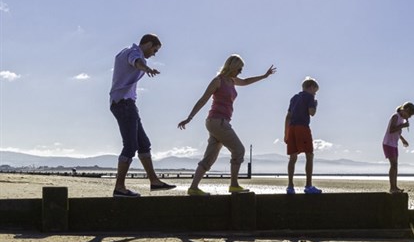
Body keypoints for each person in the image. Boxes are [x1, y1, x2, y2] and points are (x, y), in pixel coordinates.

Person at [178, 55, 276, 196]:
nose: (240, 72)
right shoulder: (218, 81)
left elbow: (247, 81)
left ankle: (193, 188)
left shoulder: (232, 81)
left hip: (219, 123)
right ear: (232, 67)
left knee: (209, 158)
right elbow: (203, 99)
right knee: (239, 150)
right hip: (218, 122)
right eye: (239, 69)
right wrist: (189, 118)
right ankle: (234, 185)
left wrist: (264, 76)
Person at [109, 34, 176, 197]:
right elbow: (136, 61)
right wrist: (146, 69)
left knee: (144, 144)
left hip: (126, 103)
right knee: (130, 146)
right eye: (155, 49)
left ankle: (154, 181)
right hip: (123, 103)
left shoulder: (125, 51)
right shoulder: (134, 52)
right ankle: (119, 187)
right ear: (148, 44)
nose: (154, 54)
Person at [285, 77, 321, 194]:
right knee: (309, 155)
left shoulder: (294, 98)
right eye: (315, 91)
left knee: (292, 158)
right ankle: (308, 185)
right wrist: (315, 105)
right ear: (310, 88)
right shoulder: (309, 97)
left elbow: (288, 116)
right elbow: (312, 113)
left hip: (292, 129)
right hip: (302, 128)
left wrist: (286, 133)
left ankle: (290, 186)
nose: (315, 94)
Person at [383, 102, 414, 193]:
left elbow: (397, 132)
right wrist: (403, 126)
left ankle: (395, 186)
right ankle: (392, 187)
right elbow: (391, 130)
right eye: (409, 115)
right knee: (393, 165)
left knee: (395, 166)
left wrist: (402, 140)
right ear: (406, 110)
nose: (409, 117)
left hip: (394, 144)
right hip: (388, 143)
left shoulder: (401, 119)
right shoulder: (396, 116)